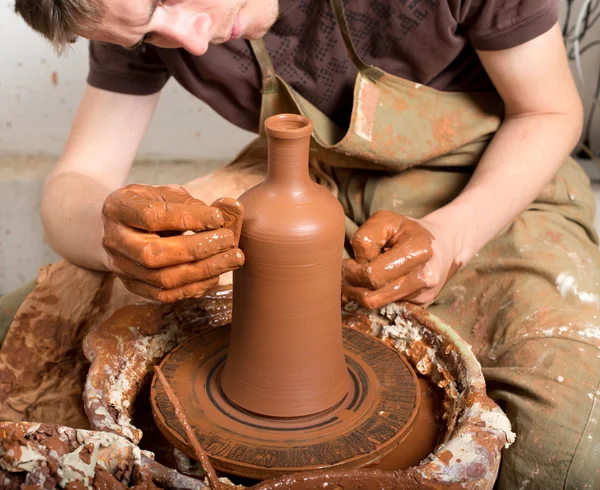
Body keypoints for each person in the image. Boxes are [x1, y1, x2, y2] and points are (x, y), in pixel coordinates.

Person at [5, 0, 600, 487]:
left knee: (567, 445)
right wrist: (113, 239)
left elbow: (548, 111)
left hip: (485, 176)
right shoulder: (133, 12)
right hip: (295, 177)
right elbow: (77, 182)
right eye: (149, 33)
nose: (187, 40)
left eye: (170, 0)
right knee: (25, 340)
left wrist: (452, 236)